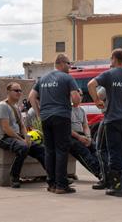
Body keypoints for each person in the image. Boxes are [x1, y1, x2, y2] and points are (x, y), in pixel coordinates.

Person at [87, 48, 122, 197]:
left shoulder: (109, 75)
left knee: (115, 153)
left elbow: (90, 85)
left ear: (114, 58)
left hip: (113, 120)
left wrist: (97, 101)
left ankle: (117, 187)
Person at [29, 54, 81, 194]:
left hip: (46, 118)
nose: (70, 67)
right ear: (62, 63)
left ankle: (51, 184)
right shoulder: (67, 78)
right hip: (61, 117)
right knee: (61, 150)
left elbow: (31, 97)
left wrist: (39, 113)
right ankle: (61, 185)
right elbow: (76, 99)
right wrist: (74, 103)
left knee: (49, 150)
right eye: (69, 63)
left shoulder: (43, 79)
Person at [0, 82, 47, 188]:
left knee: (41, 149)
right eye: (16, 90)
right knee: (23, 147)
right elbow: (6, 128)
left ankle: (53, 176)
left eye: (20, 90)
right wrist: (21, 140)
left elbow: (22, 125)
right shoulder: (2, 106)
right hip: (3, 137)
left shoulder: (16, 107)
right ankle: (14, 176)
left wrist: (26, 137)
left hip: (15, 136)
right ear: (8, 92)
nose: (19, 93)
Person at [69, 99, 107, 188]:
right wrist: (79, 137)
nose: (79, 97)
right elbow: (66, 128)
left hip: (81, 135)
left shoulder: (81, 110)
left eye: (81, 95)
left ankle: (106, 171)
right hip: (71, 136)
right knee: (83, 151)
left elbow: (85, 126)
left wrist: (89, 138)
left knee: (95, 148)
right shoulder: (66, 109)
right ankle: (100, 174)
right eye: (78, 94)